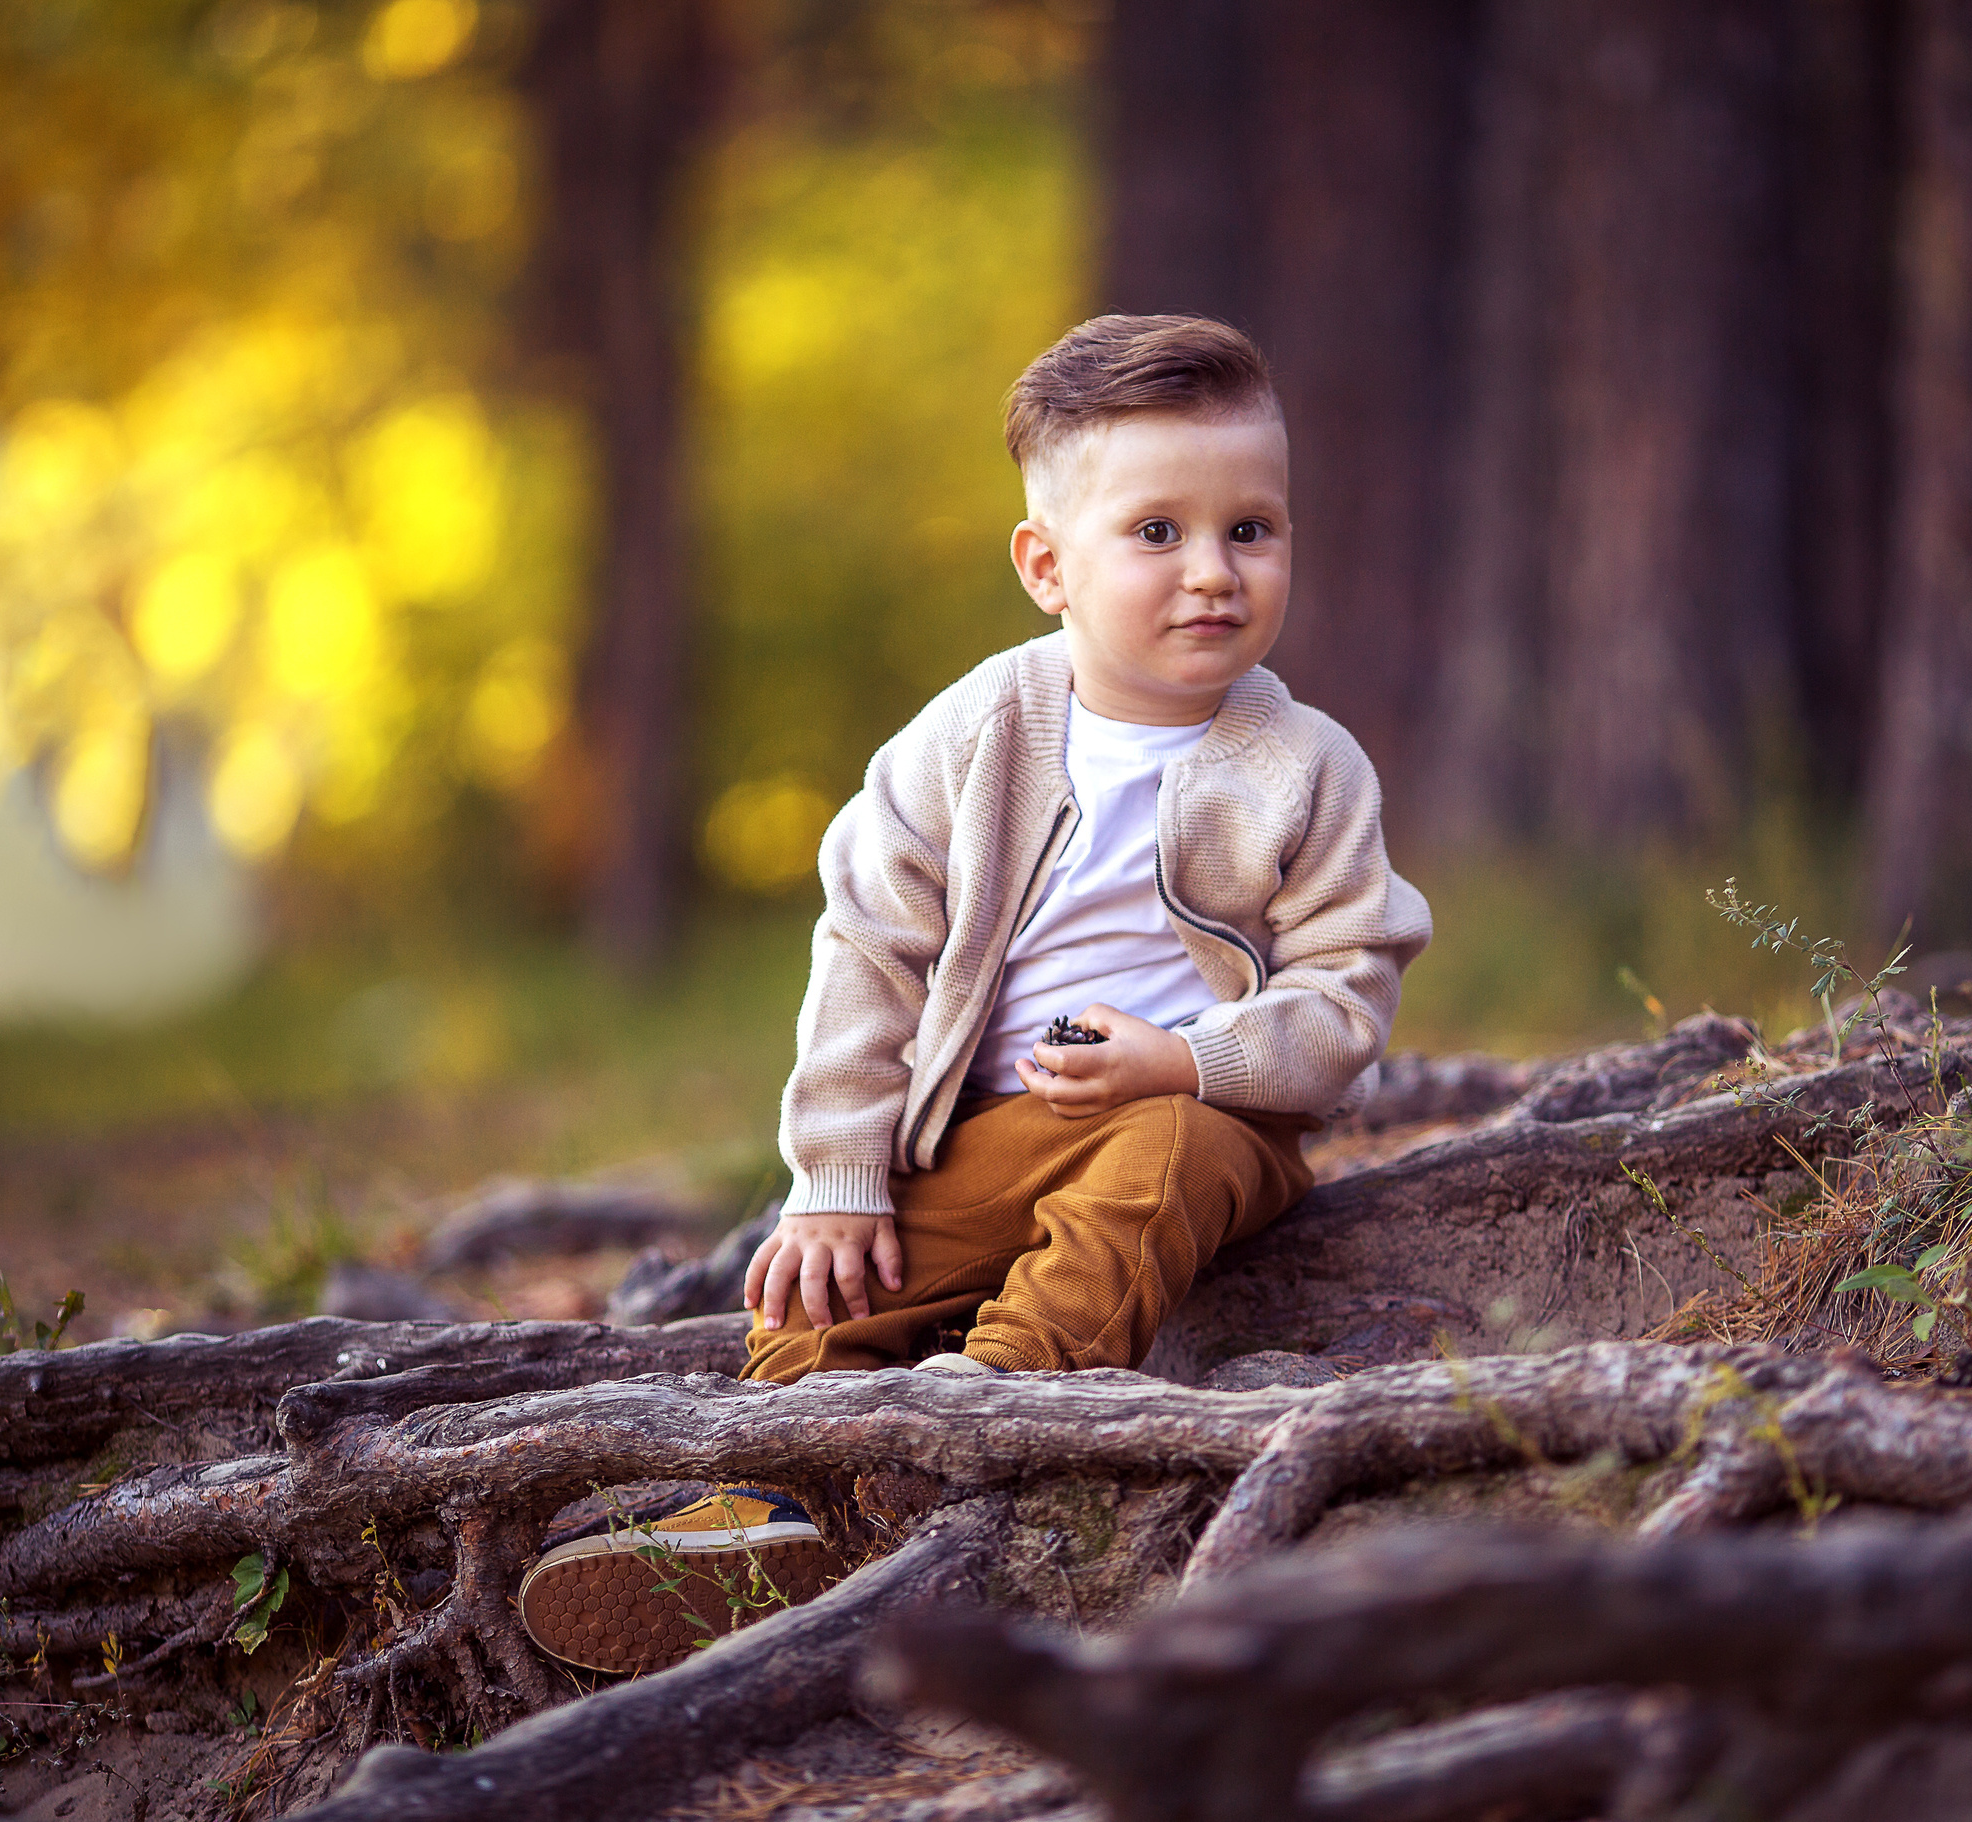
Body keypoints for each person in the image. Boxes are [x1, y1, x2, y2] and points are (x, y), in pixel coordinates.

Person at [518, 314, 1432, 1675]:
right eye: (1158, 533)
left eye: (1252, 529)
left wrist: (1184, 1057)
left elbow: (1346, 992)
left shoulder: (1308, 765)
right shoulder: (973, 736)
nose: (1213, 574)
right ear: (1046, 566)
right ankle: (784, 1499)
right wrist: (836, 1173)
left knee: (1162, 1161)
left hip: (1195, 1122)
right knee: (812, 1288)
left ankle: (983, 1413)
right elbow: (867, 949)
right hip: (981, 1136)